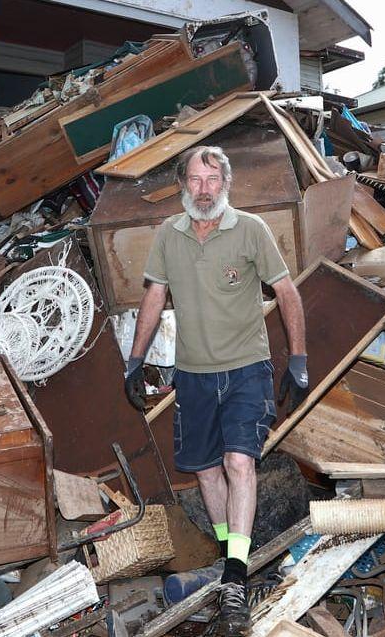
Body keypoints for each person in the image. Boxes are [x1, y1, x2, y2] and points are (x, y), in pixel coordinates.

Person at [124, 145, 307, 635]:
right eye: (194, 180)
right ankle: (234, 552)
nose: (203, 190)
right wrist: (135, 360)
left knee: (238, 463)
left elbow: (286, 292)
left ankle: (234, 577)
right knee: (206, 472)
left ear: (226, 183)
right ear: (183, 184)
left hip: (247, 368)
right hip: (194, 374)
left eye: (211, 180)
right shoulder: (169, 233)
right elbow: (154, 296)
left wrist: (299, 358)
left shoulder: (251, 229)